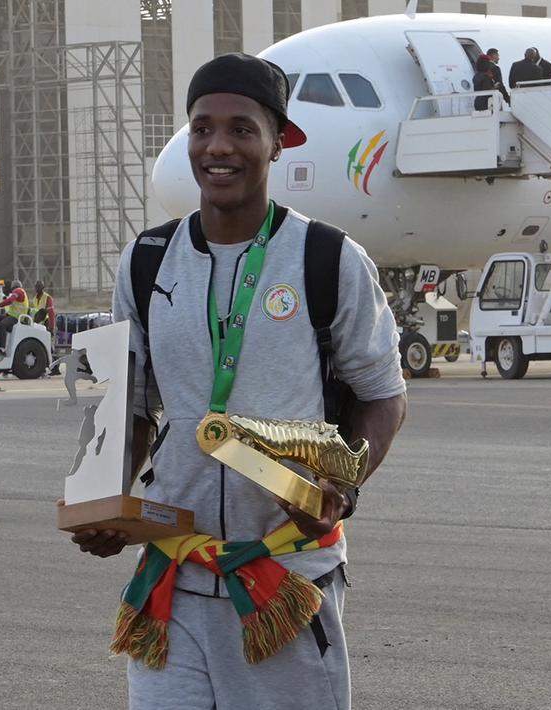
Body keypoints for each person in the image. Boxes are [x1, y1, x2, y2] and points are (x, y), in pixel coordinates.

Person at [65, 53, 407, 710]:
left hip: (282, 577)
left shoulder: (328, 259)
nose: (218, 146)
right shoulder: (145, 261)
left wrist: (340, 485)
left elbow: (383, 397)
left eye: (241, 129)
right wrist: (103, 500)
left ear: (279, 141)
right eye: (202, 128)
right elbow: (128, 405)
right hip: (174, 582)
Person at [0, 279, 30, 358]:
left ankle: (2, 349)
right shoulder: (18, 292)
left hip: (16, 318)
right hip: (10, 316)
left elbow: (10, 301)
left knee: (2, 324)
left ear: (13, 288)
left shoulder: (18, 291)